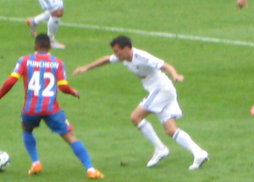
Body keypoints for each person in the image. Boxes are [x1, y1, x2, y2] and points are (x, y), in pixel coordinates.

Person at [73, 35, 209, 170]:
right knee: (170, 129)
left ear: (126, 48)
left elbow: (165, 65)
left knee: (135, 117)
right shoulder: (124, 57)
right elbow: (106, 59)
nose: (115, 54)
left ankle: (160, 149)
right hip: (163, 91)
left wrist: (175, 75)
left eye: (117, 50)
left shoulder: (142, 57)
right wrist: (86, 67)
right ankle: (199, 153)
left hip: (161, 90)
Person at [0, 34, 104, 179]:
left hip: (30, 109)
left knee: (27, 130)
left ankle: (36, 162)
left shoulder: (25, 60)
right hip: (51, 109)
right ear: (50, 47)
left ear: (35, 46)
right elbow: (63, 87)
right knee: (70, 137)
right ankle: (90, 169)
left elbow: (10, 81)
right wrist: (73, 92)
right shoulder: (58, 63)